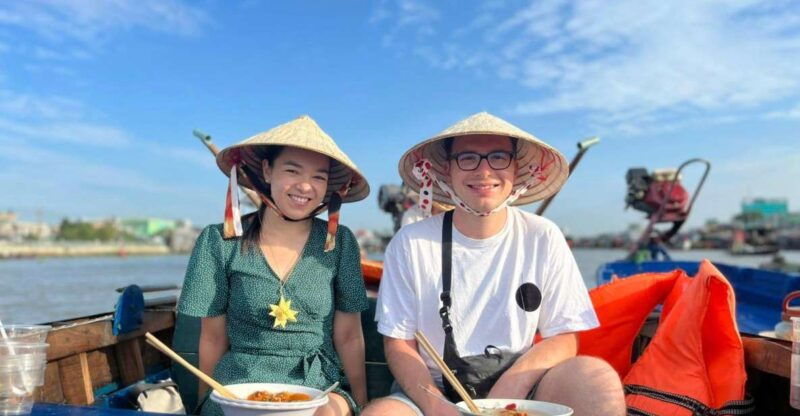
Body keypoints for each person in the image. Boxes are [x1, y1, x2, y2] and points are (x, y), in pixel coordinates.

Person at [363, 112, 625, 416]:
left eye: (498, 157)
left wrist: (507, 394)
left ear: (517, 167)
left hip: (520, 387)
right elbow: (399, 345)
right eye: (468, 158)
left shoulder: (543, 236)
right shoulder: (410, 244)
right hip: (432, 392)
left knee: (594, 380)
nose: (484, 171)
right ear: (447, 170)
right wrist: (439, 408)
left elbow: (564, 337)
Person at [177, 115, 371, 416]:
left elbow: (348, 335)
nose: (305, 186)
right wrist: (206, 404)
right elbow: (212, 336)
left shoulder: (340, 242)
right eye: (292, 170)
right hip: (240, 381)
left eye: (319, 177)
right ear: (268, 170)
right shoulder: (219, 240)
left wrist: (360, 403)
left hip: (319, 382)